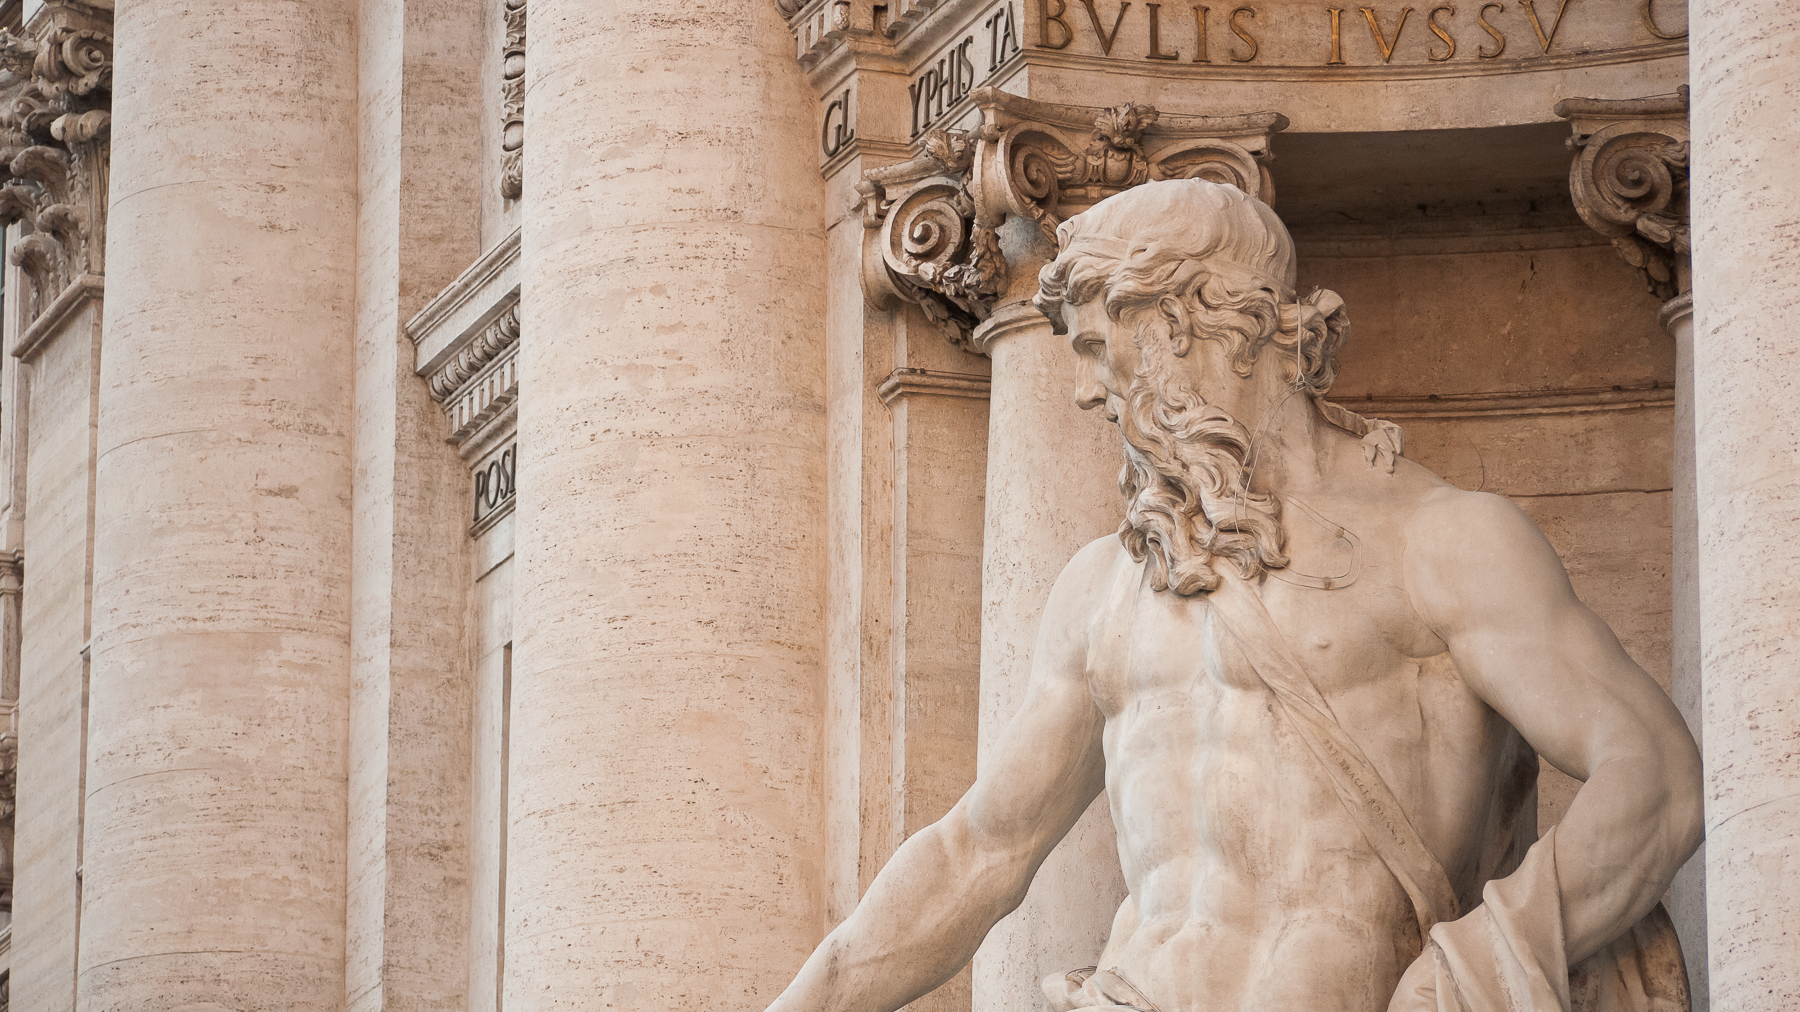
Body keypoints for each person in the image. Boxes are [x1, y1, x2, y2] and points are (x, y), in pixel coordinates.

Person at [765, 179, 1702, 1012]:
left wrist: (1475, 970)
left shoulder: (1442, 543)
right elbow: (978, 854)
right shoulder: (1104, 587)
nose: (1087, 395)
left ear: (1191, 324)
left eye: (1099, 349)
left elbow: (1653, 778)